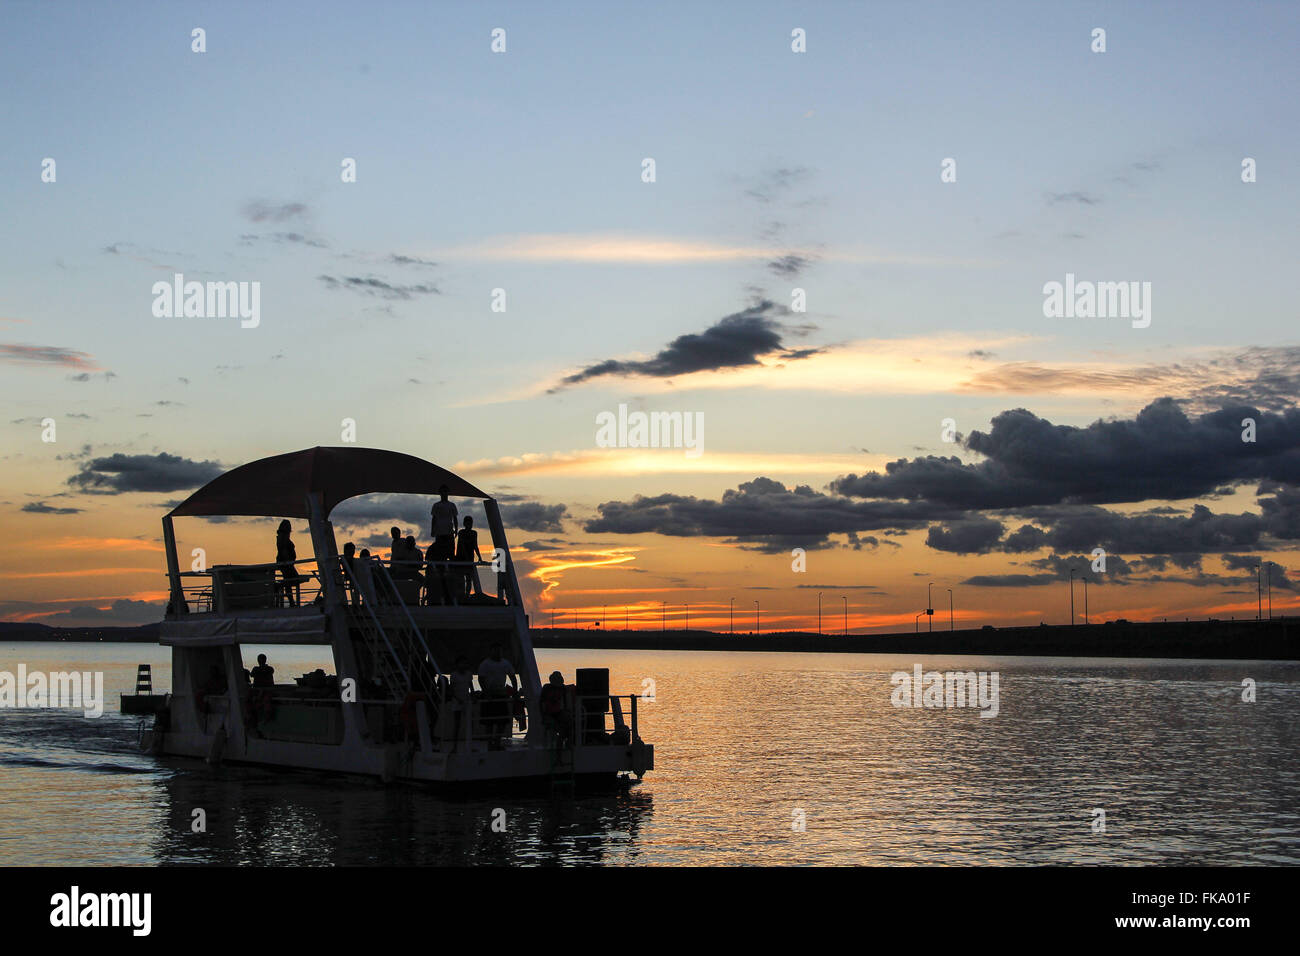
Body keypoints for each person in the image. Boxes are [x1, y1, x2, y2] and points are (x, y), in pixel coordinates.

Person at [476, 644, 517, 749]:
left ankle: (497, 743)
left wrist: (515, 691)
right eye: (495, 651)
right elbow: (481, 679)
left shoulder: (505, 663)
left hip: (501, 694)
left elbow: (512, 676)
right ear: (491, 652)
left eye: (499, 651)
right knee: (489, 722)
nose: (497, 653)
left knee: (501, 721)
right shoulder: (485, 664)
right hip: (489, 695)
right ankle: (490, 744)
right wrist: (486, 692)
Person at [454, 515, 483, 598]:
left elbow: (475, 545)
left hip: (470, 558)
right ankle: (462, 595)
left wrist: (480, 557)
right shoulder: (461, 532)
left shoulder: (474, 533)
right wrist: (466, 557)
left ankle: (466, 595)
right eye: (468, 523)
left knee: (469, 579)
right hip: (461, 558)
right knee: (461, 579)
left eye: (471, 523)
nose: (470, 525)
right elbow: (462, 545)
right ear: (464, 523)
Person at [539, 670, 570, 747]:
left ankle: (563, 742)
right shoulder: (546, 687)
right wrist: (543, 715)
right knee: (552, 725)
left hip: (558, 712)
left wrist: (566, 711)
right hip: (548, 713)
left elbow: (566, 702)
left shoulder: (563, 688)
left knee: (567, 723)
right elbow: (541, 702)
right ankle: (555, 744)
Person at [275, 519, 300, 607]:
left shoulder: (282, 537)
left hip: (286, 563)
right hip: (286, 564)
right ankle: (292, 602)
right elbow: (283, 550)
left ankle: (291, 601)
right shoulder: (283, 538)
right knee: (290, 581)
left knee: (290, 581)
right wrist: (288, 562)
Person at [430, 485, 458, 562]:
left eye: (445, 491)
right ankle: (441, 569)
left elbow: (455, 518)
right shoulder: (436, 505)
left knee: (451, 551)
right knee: (440, 552)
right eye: (442, 491)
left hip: (449, 531)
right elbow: (434, 518)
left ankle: (451, 569)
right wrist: (432, 530)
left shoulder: (452, 505)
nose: (444, 493)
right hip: (439, 532)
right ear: (440, 493)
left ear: (448, 493)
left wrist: (456, 530)